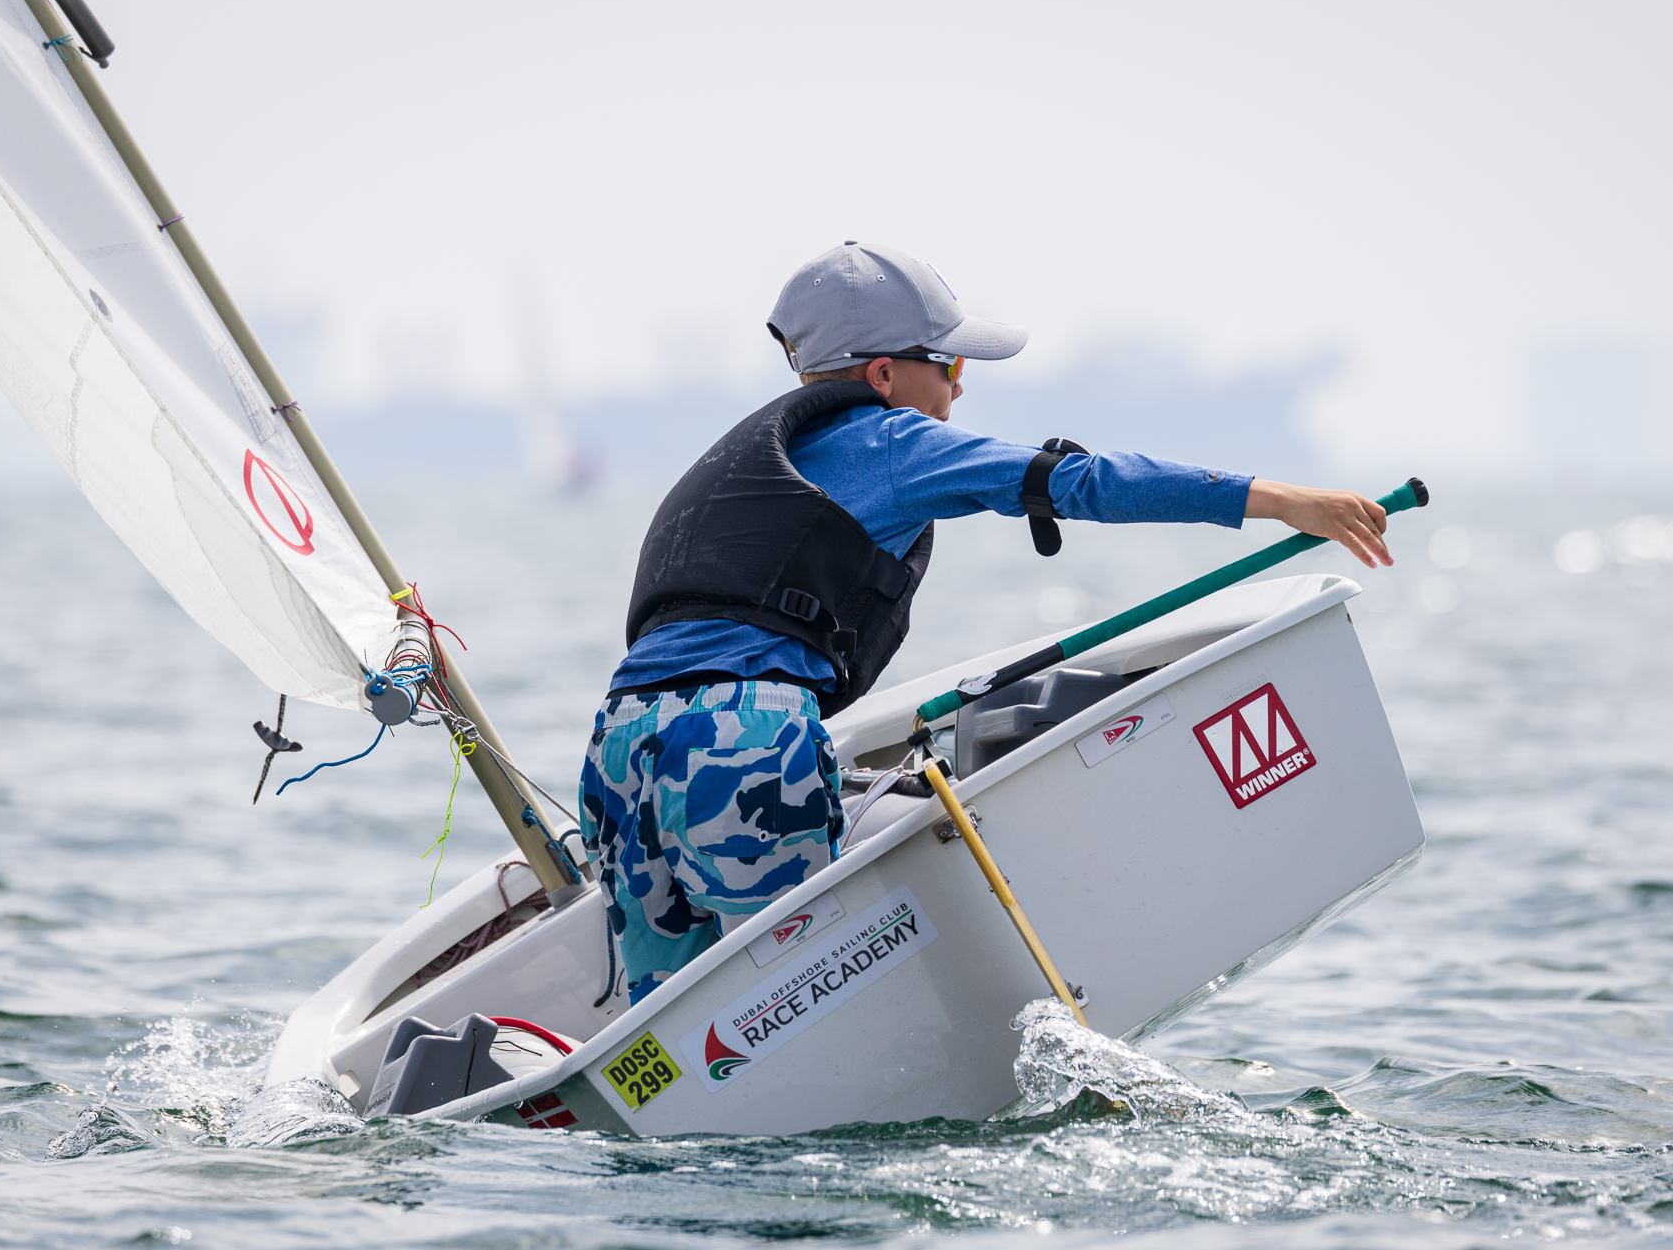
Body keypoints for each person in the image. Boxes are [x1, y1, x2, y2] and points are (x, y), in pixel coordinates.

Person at [580, 240, 1394, 1004]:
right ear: (885, 374)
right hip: (740, 735)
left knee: (679, 1031)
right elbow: (1084, 482)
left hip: (619, 743)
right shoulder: (892, 440)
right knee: (796, 1006)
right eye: (952, 365)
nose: (960, 389)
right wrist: (1282, 500)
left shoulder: (738, 461)